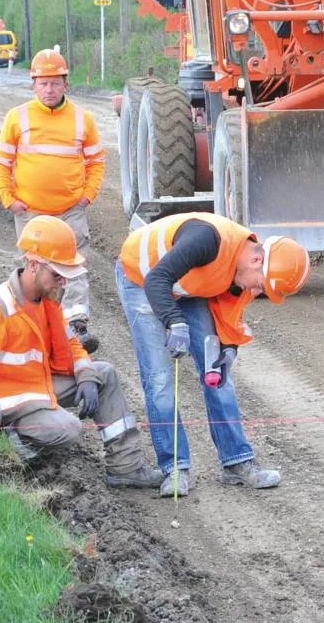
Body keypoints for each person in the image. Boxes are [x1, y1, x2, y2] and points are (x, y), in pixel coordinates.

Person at [0, 215, 162, 488]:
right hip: (10, 403)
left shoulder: (47, 302)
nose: (63, 282)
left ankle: (126, 468)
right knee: (68, 429)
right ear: (33, 264)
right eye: (57, 274)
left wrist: (85, 374)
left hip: (40, 387)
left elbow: (71, 345)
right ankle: (12, 440)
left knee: (104, 374)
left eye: (65, 275)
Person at [115, 212, 311, 498]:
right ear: (257, 261)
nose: (256, 292)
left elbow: (228, 315)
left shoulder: (242, 268)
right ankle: (175, 468)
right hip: (142, 279)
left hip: (189, 286)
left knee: (218, 374)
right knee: (159, 379)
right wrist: (174, 322)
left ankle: (236, 462)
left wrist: (228, 349)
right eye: (261, 285)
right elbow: (157, 280)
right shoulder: (206, 239)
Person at [0, 48, 104, 354]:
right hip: (30, 212)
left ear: (66, 83)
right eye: (43, 83)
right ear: (33, 85)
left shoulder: (84, 119)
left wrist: (86, 197)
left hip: (70, 211)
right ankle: (30, 328)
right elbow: (1, 162)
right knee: (33, 270)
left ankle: (76, 329)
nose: (49, 89)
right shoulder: (17, 118)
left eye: (55, 83)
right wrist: (9, 200)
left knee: (74, 267)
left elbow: (96, 162)